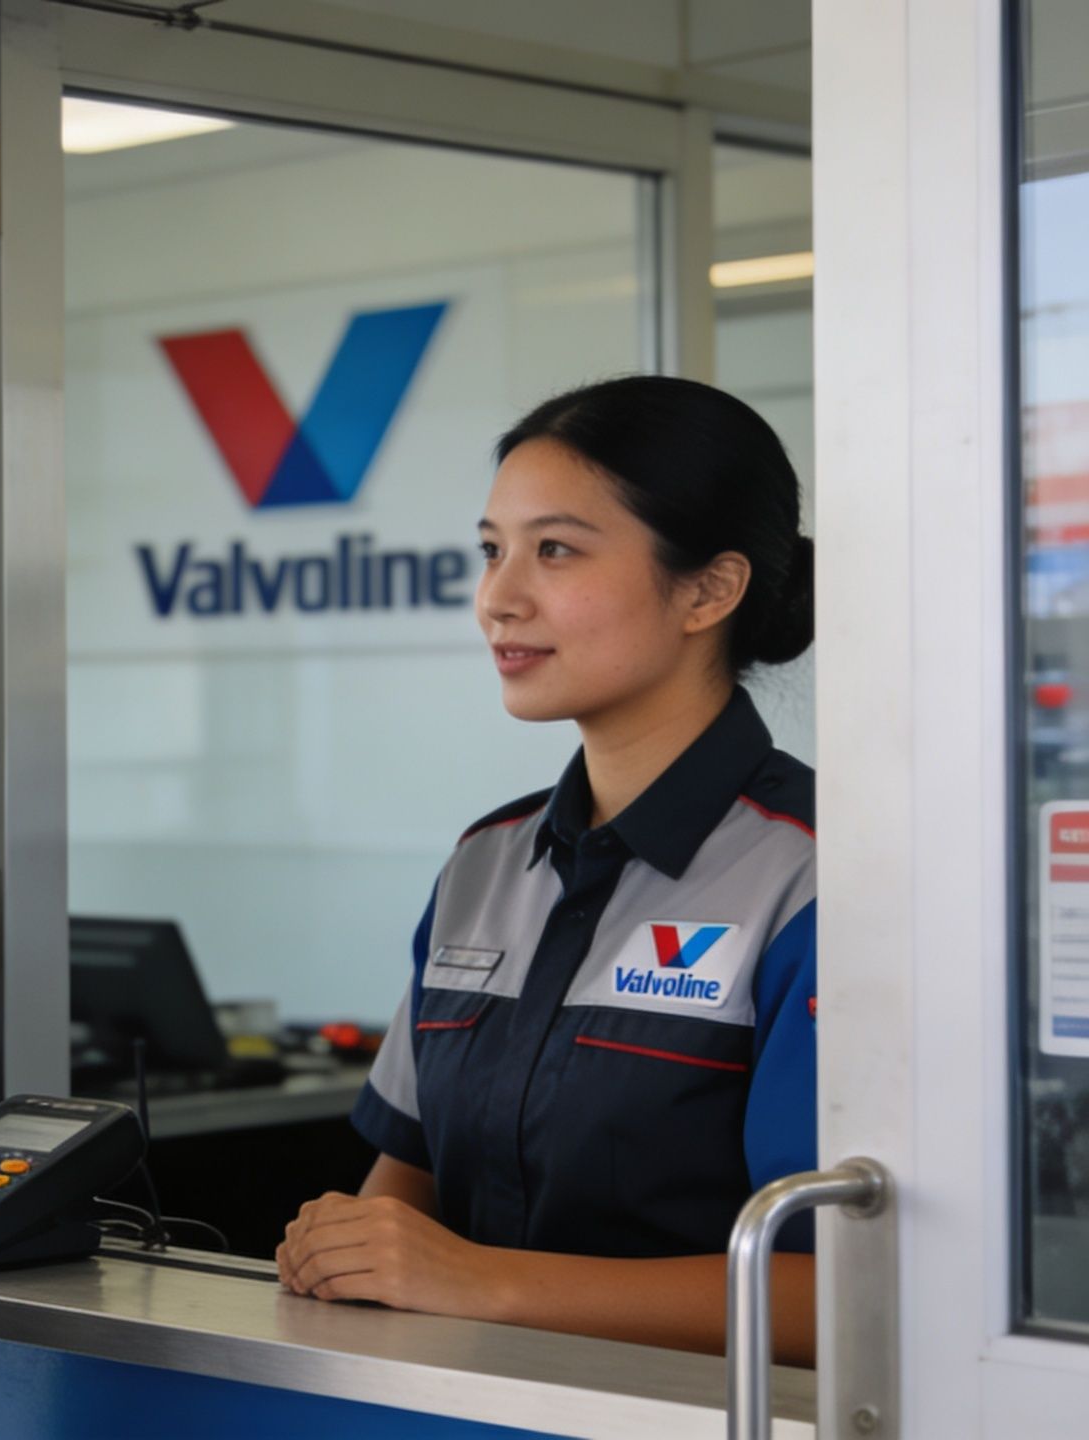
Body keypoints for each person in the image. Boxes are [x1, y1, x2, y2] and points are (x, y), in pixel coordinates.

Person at [275, 375, 820, 1363]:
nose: (497, 598)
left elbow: (842, 1295)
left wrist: (481, 1282)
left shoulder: (816, 876)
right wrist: (345, 1256)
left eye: (554, 550)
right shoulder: (486, 863)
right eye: (493, 551)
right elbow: (404, 1181)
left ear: (709, 588)